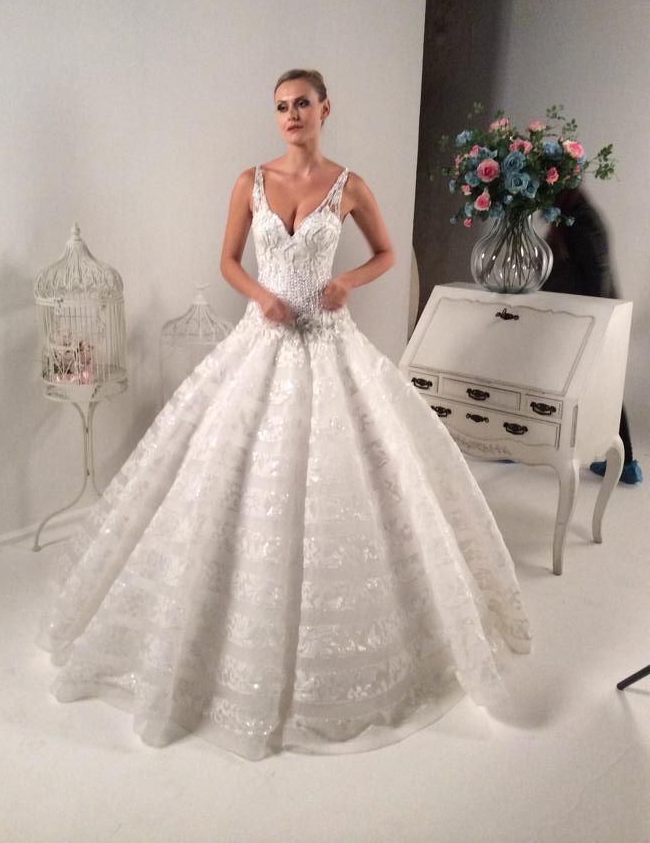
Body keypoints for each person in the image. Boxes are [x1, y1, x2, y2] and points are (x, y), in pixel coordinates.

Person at [37, 69, 531, 760]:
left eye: (303, 104)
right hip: (262, 339)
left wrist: (347, 280)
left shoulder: (349, 186)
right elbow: (228, 260)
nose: (292, 115)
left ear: (326, 108)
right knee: (227, 469)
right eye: (281, 107)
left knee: (356, 474)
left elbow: (388, 254)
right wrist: (261, 296)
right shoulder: (251, 181)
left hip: (328, 342)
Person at [542, 188, 642, 485]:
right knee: (597, 384)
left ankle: (625, 463)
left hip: (591, 318)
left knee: (604, 386)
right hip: (580, 316)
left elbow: (598, 273)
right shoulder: (571, 215)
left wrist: (595, 322)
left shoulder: (582, 219)